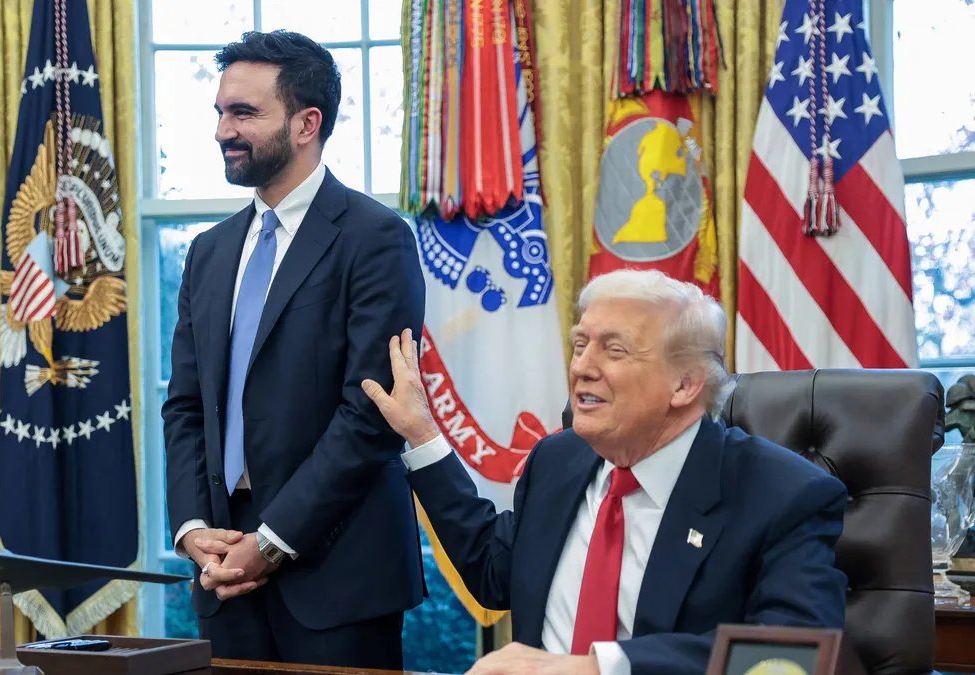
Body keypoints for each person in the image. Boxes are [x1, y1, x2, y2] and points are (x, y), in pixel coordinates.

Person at [362, 269, 847, 675]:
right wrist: (423, 434)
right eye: (580, 345)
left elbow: (789, 657)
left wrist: (596, 667)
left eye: (614, 351)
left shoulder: (783, 495)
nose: (582, 368)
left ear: (684, 384)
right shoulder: (557, 460)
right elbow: (494, 574)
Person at [161, 30, 426, 669]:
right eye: (220, 112)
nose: (222, 129)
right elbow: (186, 408)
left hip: (338, 578)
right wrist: (194, 530)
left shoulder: (376, 239)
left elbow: (370, 416)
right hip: (223, 576)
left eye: (243, 113)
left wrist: (273, 542)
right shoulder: (209, 251)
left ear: (307, 123)